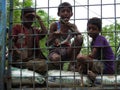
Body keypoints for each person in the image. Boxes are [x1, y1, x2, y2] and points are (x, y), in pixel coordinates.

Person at [46, 2, 83, 70]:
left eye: (68, 11)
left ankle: (72, 65)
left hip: (68, 50)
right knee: (56, 59)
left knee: (80, 57)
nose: (65, 13)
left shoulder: (73, 26)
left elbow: (80, 39)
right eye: (63, 11)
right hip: (55, 50)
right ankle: (58, 69)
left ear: (71, 14)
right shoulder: (55, 25)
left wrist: (73, 29)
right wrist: (54, 35)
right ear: (58, 14)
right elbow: (47, 43)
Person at [77, 17, 115, 82]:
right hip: (102, 65)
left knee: (80, 58)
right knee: (81, 66)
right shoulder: (93, 42)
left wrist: (82, 59)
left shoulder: (100, 38)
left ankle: (91, 73)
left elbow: (93, 55)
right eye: (89, 29)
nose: (91, 30)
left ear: (99, 30)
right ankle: (90, 73)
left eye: (94, 29)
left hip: (107, 66)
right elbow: (94, 58)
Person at [12, 7, 47, 74]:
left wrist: (39, 18)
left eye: (32, 18)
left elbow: (44, 33)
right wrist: (18, 52)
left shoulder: (34, 30)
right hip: (20, 60)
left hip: (33, 59)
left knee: (51, 63)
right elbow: (11, 42)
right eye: (28, 17)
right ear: (22, 18)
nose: (30, 20)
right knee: (41, 66)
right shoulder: (17, 28)